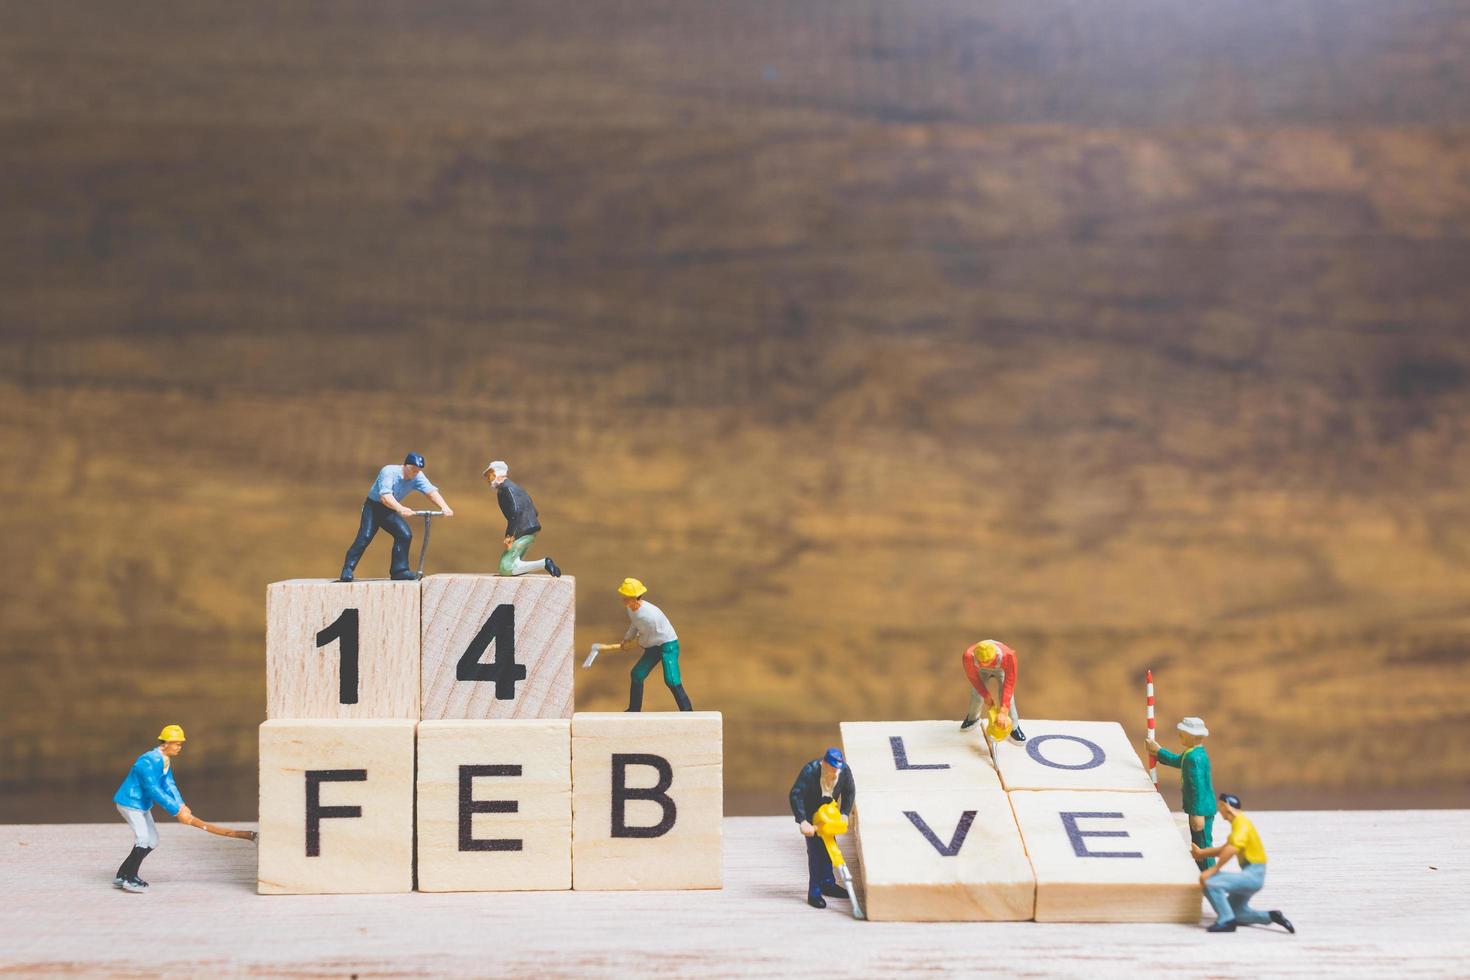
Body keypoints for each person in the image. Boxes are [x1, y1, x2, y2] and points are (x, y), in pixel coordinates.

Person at [339, 453, 453, 582]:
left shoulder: (418, 476)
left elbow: (431, 492)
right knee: (364, 537)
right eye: (413, 469)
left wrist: (444, 507)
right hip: (373, 508)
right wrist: (401, 508)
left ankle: (400, 571)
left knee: (404, 535)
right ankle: (347, 569)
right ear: (405, 466)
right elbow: (385, 497)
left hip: (389, 510)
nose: (415, 473)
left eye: (418, 470)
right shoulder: (389, 472)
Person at [1192, 793, 1296, 934]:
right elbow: (1224, 849)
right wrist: (1201, 854)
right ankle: (1271, 916)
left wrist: (1214, 869)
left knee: (1209, 881)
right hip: (1254, 874)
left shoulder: (1241, 824)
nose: (1219, 811)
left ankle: (1226, 921)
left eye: (1220, 807)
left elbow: (1231, 849)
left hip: (1252, 875)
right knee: (1237, 912)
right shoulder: (1240, 824)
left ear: (1225, 806)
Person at [111, 725, 193, 893]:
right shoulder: (147, 761)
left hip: (142, 805)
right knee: (142, 838)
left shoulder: (165, 760)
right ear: (165, 744)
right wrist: (176, 811)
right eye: (176, 743)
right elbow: (152, 789)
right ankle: (130, 878)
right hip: (130, 802)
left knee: (153, 840)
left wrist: (181, 805)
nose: (179, 747)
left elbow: (169, 784)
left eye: (180, 744)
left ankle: (122, 874)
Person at [789, 748, 856, 909]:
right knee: (815, 855)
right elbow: (795, 794)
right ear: (824, 764)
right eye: (831, 768)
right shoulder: (810, 771)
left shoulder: (844, 771)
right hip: (813, 817)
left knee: (829, 851)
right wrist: (803, 821)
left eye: (837, 769)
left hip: (830, 815)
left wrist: (844, 813)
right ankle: (814, 891)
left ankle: (828, 884)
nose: (834, 772)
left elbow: (849, 791)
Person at [1146, 716, 1216, 869]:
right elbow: (1177, 761)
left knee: (1202, 845)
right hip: (1200, 807)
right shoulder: (1192, 753)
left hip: (1200, 809)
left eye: (1182, 733)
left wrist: (1198, 813)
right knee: (1198, 843)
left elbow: (1199, 786)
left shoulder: (1193, 758)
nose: (1179, 736)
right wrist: (1158, 751)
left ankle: (1209, 875)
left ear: (1192, 735)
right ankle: (1202, 872)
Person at [612, 578, 692, 711]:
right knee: (637, 674)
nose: (624, 600)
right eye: (624, 596)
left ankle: (688, 712)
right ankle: (634, 709)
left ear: (636, 598)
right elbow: (635, 624)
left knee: (672, 680)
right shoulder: (631, 609)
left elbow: (646, 638)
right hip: (653, 645)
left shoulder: (648, 616)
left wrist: (633, 644)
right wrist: (627, 638)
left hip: (667, 645)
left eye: (627, 597)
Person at [483, 461, 560, 577]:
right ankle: (543, 564)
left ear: (497, 475)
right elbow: (534, 510)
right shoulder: (517, 488)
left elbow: (515, 512)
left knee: (505, 568)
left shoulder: (505, 490)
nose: (488, 480)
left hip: (522, 531)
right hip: (531, 529)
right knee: (515, 562)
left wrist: (510, 536)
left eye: (490, 476)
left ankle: (544, 563)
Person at [959, 639, 1026, 742]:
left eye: (987, 662)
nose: (986, 664)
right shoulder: (968, 656)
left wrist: (1003, 710)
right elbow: (973, 677)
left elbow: (1010, 682)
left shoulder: (1008, 656)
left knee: (1008, 698)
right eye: (982, 661)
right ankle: (972, 718)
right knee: (976, 695)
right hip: (981, 670)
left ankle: (1014, 726)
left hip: (1001, 670)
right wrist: (985, 695)